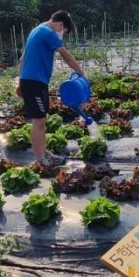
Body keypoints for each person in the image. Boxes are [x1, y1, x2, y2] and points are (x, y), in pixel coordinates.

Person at [16, 10, 85, 166]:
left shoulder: (36, 30)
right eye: (64, 32)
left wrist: (21, 82)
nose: (62, 35)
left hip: (34, 81)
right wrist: (81, 74)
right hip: (34, 82)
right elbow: (66, 56)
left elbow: (22, 59)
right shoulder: (48, 33)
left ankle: (45, 154)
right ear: (60, 25)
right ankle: (41, 160)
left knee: (42, 120)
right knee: (38, 121)